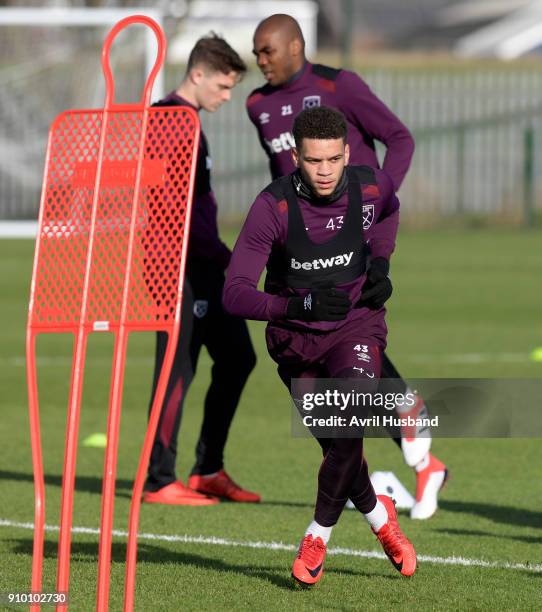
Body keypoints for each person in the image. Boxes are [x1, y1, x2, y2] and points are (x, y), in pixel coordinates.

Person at [246, 13, 447, 520]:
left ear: (296, 46)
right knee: (324, 365)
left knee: (352, 345)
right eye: (255, 53)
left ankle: (414, 457)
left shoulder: (341, 85)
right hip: (294, 246)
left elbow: (399, 139)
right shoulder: (257, 105)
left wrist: (379, 202)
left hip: (349, 241)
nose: (259, 60)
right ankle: (404, 461)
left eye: (267, 51)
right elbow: (282, 175)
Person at [223, 106, 416, 585]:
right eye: (314, 161)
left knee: (351, 422)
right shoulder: (274, 207)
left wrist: (381, 263)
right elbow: (234, 292)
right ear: (296, 158)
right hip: (296, 341)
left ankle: (318, 535)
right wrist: (297, 305)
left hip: (358, 328)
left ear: (347, 153)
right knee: (338, 447)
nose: (325, 170)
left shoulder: (370, 185)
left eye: (333, 159)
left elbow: (390, 209)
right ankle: (379, 517)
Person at [143, 34, 259, 506]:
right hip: (179, 267)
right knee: (177, 369)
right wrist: (224, 254)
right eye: (224, 85)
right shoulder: (172, 121)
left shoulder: (187, 121)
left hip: (203, 262)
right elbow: (174, 208)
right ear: (197, 75)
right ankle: (158, 479)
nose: (227, 96)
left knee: (237, 358)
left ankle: (208, 469)